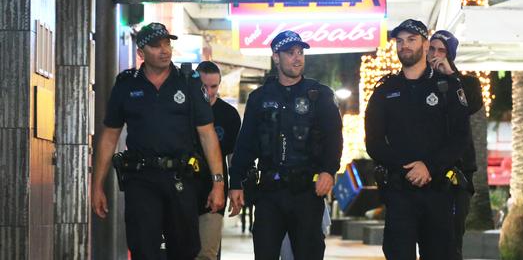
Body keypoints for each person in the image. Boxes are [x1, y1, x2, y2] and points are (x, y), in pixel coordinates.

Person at [91, 22, 226, 260]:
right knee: (143, 249)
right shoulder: (126, 84)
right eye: (156, 45)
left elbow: (207, 134)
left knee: (184, 250)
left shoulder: (188, 81)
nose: (165, 50)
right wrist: (97, 186)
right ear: (141, 52)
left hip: (181, 178)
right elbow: (109, 136)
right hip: (141, 179)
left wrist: (218, 183)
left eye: (167, 43)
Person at [228, 30, 343, 260]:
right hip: (270, 193)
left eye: (300, 52)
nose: (297, 57)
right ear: (276, 57)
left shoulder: (320, 95)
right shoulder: (260, 97)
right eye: (290, 53)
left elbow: (334, 137)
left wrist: (329, 171)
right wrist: (236, 182)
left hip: (307, 193)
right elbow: (246, 143)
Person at [365, 19, 471, 260]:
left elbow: (459, 137)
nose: (404, 46)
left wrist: (429, 167)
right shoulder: (384, 90)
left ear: (425, 45)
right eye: (400, 41)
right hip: (399, 190)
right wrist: (408, 168)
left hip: (438, 191)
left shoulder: (447, 86)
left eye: (411, 40)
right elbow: (374, 141)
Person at [428, 30, 484, 260]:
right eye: (431, 49)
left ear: (450, 54)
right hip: (426, 172)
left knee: (452, 242)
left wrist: (450, 76)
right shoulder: (420, 83)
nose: (435, 55)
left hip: (457, 176)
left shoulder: (467, 83)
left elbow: (469, 105)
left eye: (441, 50)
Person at [195, 61, 242, 260]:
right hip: (182, 190)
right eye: (204, 86)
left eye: (213, 86)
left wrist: (236, 186)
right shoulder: (182, 109)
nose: (209, 91)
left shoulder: (229, 115)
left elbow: (233, 155)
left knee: (207, 253)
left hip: (214, 189)